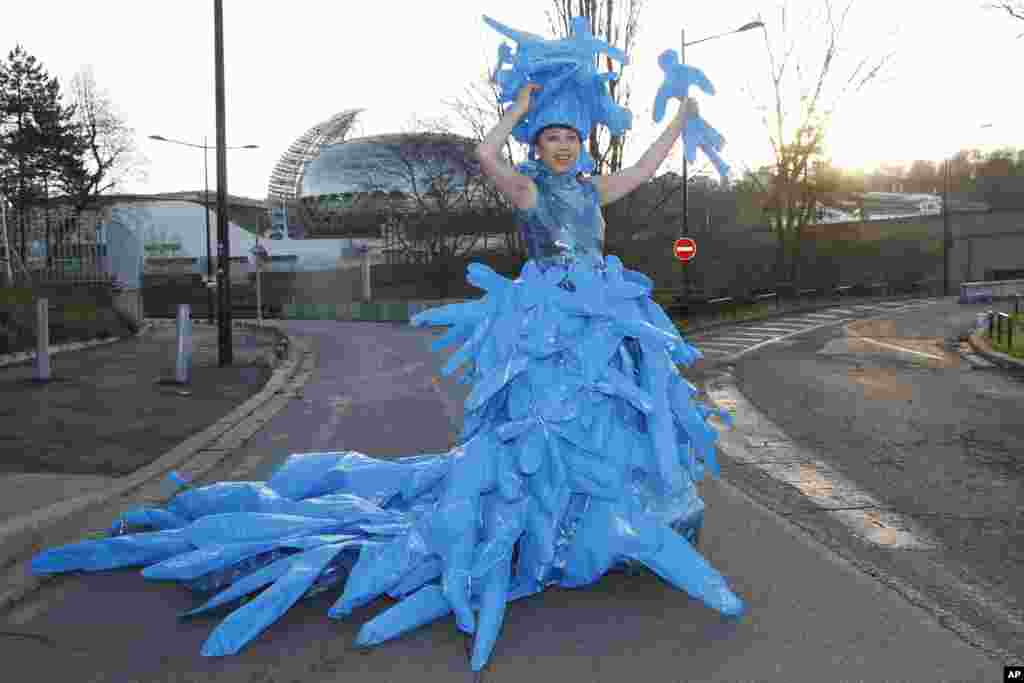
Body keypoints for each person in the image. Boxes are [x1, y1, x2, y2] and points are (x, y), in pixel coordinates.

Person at [29, 14, 743, 674]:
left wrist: (679, 118)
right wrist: (518, 111)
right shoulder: (529, 192)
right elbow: (483, 153)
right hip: (549, 324)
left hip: (601, 320)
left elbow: (646, 168)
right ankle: (547, 526)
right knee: (547, 424)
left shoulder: (593, 191)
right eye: (551, 137)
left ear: (582, 145)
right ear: (539, 146)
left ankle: (608, 517)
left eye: (570, 137)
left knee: (611, 419)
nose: (562, 146)